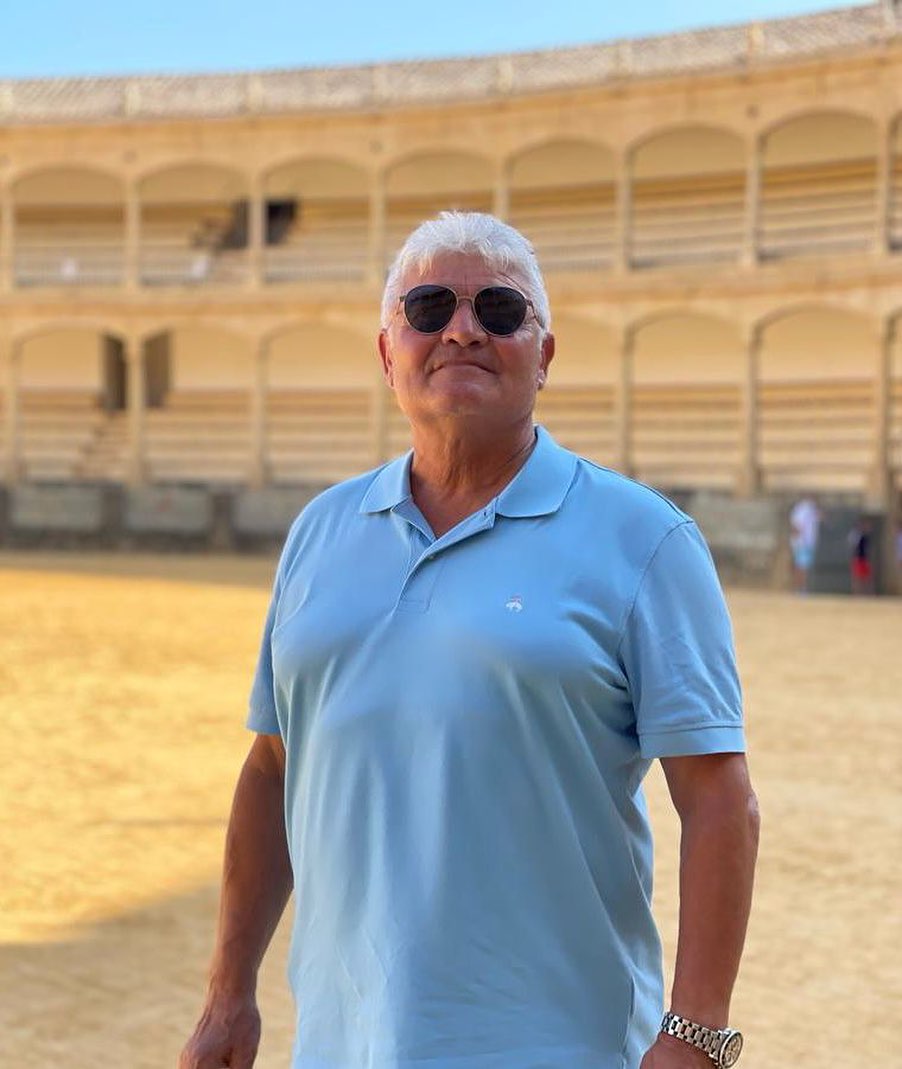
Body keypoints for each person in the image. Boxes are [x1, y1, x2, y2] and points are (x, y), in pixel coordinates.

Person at [180, 212, 760, 1069]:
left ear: (544, 354)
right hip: (343, 1046)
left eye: (498, 308)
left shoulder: (645, 539)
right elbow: (273, 768)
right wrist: (229, 990)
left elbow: (719, 800)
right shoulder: (321, 532)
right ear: (388, 353)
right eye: (427, 308)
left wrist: (697, 1032)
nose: (462, 329)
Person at [788, 496, 820, 594]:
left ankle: (801, 588)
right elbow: (795, 526)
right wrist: (797, 541)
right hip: (802, 543)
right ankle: (800, 589)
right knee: (801, 567)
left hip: (807, 543)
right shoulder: (801, 509)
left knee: (803, 567)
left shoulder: (812, 508)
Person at [848, 516, 874, 596]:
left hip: (865, 559)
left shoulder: (866, 536)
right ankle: (857, 594)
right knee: (857, 578)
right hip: (858, 559)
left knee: (867, 578)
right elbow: (853, 547)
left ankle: (867, 594)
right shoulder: (856, 535)